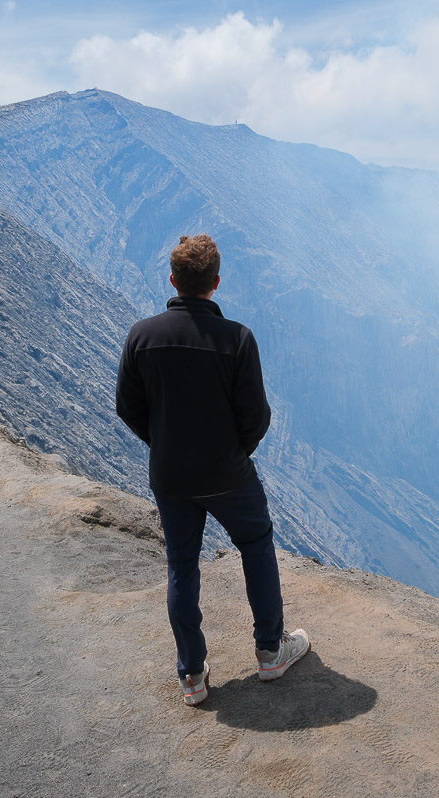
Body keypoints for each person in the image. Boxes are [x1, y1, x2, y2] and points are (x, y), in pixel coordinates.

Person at [116, 234, 309, 706]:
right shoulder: (237, 339)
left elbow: (128, 407)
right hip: (227, 474)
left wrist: (164, 445)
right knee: (256, 544)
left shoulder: (142, 336)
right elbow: (256, 417)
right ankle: (270, 651)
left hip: (171, 477)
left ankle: (192, 677)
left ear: (172, 280)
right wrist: (231, 453)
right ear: (215, 283)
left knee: (182, 564)